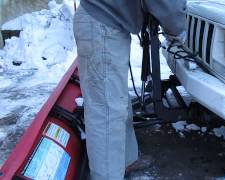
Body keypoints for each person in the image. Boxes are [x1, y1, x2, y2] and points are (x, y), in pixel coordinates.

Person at [73, 0, 186, 179]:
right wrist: (178, 28)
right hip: (102, 23)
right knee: (106, 112)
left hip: (107, 21)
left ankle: (127, 159)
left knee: (116, 101)